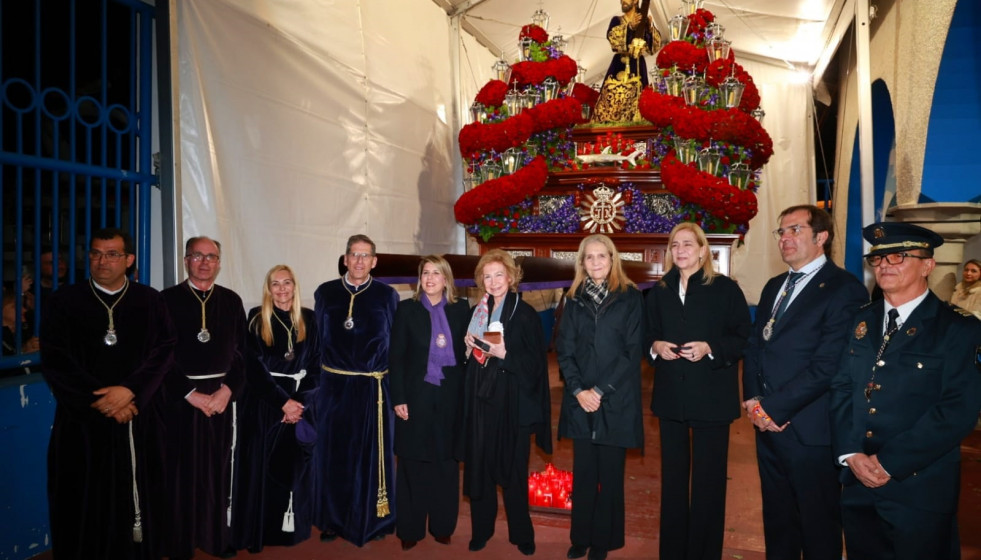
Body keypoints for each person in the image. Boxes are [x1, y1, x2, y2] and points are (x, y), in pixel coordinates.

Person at [831, 222, 981, 560]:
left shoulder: (959, 329)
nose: (884, 265)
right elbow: (842, 388)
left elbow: (958, 410)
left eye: (898, 256)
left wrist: (887, 463)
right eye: (878, 258)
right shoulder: (861, 321)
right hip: (857, 482)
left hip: (919, 489)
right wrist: (851, 453)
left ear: (928, 265)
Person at [39, 227, 176, 558]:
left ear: (129, 260)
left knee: (141, 496)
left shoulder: (150, 299)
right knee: (85, 500)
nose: (102, 261)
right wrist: (102, 401)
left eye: (112, 254)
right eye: (96, 253)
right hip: (83, 422)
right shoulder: (64, 301)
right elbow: (56, 360)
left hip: (139, 417)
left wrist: (131, 391)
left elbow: (165, 349)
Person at [741, 204, 868, 560]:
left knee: (818, 524)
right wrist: (753, 399)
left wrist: (774, 407)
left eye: (795, 230)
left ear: (821, 237)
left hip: (809, 428)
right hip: (767, 426)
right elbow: (755, 346)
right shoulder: (774, 286)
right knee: (778, 521)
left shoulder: (844, 289)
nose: (785, 239)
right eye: (781, 232)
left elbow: (829, 365)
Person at [644, 223, 751, 560]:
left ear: (703, 250)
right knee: (673, 483)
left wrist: (710, 347)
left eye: (688, 244)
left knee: (709, 483)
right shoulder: (659, 290)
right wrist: (655, 345)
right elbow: (645, 334)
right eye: (675, 245)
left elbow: (743, 337)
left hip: (712, 397)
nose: (681, 250)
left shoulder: (725, 289)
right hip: (671, 397)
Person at [556, 234, 644, 560]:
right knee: (584, 474)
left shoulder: (630, 298)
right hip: (581, 401)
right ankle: (581, 537)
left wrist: (600, 390)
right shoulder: (574, 299)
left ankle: (604, 541)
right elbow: (564, 351)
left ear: (612, 259)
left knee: (609, 475)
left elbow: (632, 352)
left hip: (615, 399)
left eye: (601, 256)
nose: (595, 263)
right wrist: (579, 390)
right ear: (582, 263)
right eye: (589, 257)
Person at [160, 236, 247, 559]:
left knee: (217, 471)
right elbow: (159, 355)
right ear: (186, 261)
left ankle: (215, 537)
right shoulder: (165, 301)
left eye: (211, 257)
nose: (204, 262)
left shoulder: (231, 301)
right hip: (181, 402)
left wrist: (227, 391)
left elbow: (242, 355)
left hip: (221, 400)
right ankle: (179, 542)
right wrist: (189, 393)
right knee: (180, 473)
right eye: (197, 256)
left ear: (219, 263)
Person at [462, 249, 552, 556]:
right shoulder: (478, 312)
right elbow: (474, 357)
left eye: (499, 274)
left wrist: (505, 356)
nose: (493, 281)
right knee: (481, 466)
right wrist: (469, 349)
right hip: (481, 400)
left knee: (514, 471)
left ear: (511, 277)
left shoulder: (524, 314)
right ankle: (482, 530)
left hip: (512, 404)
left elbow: (535, 366)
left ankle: (521, 534)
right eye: (487, 276)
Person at [313, 234, 399, 546]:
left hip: (373, 389)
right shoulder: (325, 293)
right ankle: (333, 519)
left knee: (371, 455)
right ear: (345, 259)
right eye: (354, 255)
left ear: (374, 261)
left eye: (365, 256)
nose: (359, 261)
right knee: (335, 456)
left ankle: (375, 519)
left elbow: (395, 347)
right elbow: (317, 343)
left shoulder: (387, 296)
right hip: (334, 386)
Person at [233, 265, 320, 552]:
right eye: (275, 284)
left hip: (300, 405)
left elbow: (318, 367)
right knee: (263, 468)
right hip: (266, 405)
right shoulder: (258, 318)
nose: (282, 289)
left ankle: (293, 530)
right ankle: (264, 529)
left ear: (295, 286)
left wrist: (300, 403)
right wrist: (282, 401)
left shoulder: (310, 318)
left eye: (287, 283)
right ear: (268, 289)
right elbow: (253, 367)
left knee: (295, 468)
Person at [389, 255, 470, 551]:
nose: (431, 278)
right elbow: (395, 358)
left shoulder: (461, 309)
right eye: (426, 273)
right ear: (419, 279)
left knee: (446, 465)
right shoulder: (406, 310)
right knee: (412, 464)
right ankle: (410, 528)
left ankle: (442, 526)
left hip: (450, 398)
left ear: (447, 279)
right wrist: (398, 397)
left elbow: (469, 352)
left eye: (437, 273)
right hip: (415, 398)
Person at [592, 0, 660, 123]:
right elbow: (612, 38)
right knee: (612, 101)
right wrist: (629, 27)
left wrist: (650, 29)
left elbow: (653, 48)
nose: (623, 1)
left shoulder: (643, 20)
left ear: (635, 1)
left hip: (637, 65)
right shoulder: (617, 20)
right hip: (619, 65)